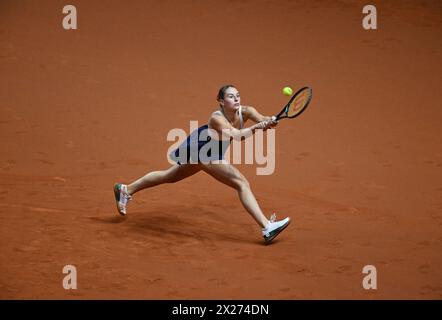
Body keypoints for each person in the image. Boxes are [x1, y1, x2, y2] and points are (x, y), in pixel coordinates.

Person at [114, 85, 290, 244]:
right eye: (230, 96)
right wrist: (259, 127)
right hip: (202, 151)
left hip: (210, 151)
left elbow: (261, 118)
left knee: (169, 176)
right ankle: (267, 227)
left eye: (237, 95)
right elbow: (237, 136)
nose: (236, 99)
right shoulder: (216, 118)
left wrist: (269, 121)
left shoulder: (247, 111)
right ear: (221, 101)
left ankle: (126, 189)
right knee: (241, 182)